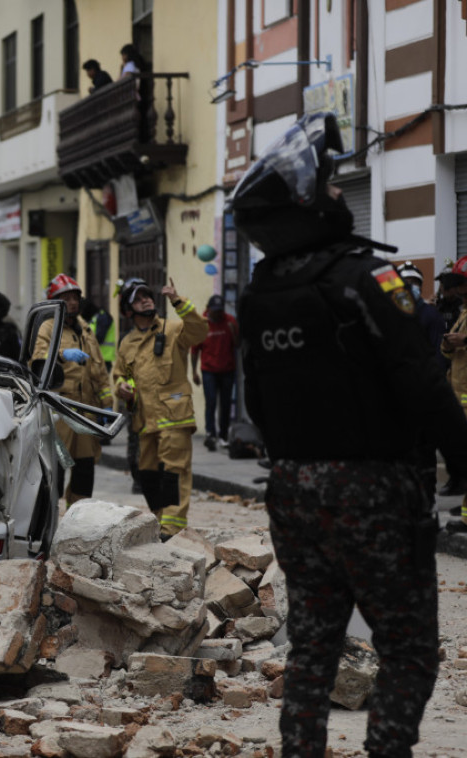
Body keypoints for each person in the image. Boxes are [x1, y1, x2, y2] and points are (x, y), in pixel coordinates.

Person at [232, 112, 467, 758]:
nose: (340, 194)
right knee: (411, 651)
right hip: (373, 488)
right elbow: (424, 380)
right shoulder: (366, 279)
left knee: (313, 646)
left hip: (292, 489)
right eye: (331, 185)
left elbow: (257, 400)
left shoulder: (260, 296)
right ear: (305, 205)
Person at [113, 278, 207, 539]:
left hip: (174, 416)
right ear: (128, 311)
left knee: (174, 472)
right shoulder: (127, 343)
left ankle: (172, 528)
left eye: (148, 295)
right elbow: (122, 375)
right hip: (146, 421)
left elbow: (200, 332)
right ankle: (159, 519)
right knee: (147, 474)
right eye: (138, 297)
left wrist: (178, 300)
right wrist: (122, 387)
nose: (146, 299)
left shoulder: (174, 329)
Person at [32, 274, 112, 506]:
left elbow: (98, 369)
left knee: (85, 469)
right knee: (56, 468)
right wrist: (60, 355)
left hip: (85, 410)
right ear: (54, 302)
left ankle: (77, 518)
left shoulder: (85, 328)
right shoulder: (48, 328)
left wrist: (107, 405)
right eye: (65, 298)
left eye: (75, 297)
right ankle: (50, 522)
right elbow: (37, 358)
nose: (73, 302)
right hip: (59, 410)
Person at [190, 294, 238, 452]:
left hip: (227, 370)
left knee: (225, 404)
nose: (218, 314)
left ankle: (223, 436)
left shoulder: (230, 322)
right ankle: (210, 434)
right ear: (208, 309)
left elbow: (238, 345)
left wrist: (234, 333)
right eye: (215, 311)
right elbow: (195, 351)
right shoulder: (201, 325)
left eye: (220, 311)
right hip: (209, 370)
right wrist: (194, 372)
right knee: (211, 402)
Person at [439, 255, 467, 501]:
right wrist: (449, 343)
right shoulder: (463, 313)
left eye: (461, 283)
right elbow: (447, 351)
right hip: (460, 395)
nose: (457, 289)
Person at [80, 297, 116, 370]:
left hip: (103, 359)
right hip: (95, 358)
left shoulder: (103, 316)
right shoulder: (93, 318)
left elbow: (99, 337)